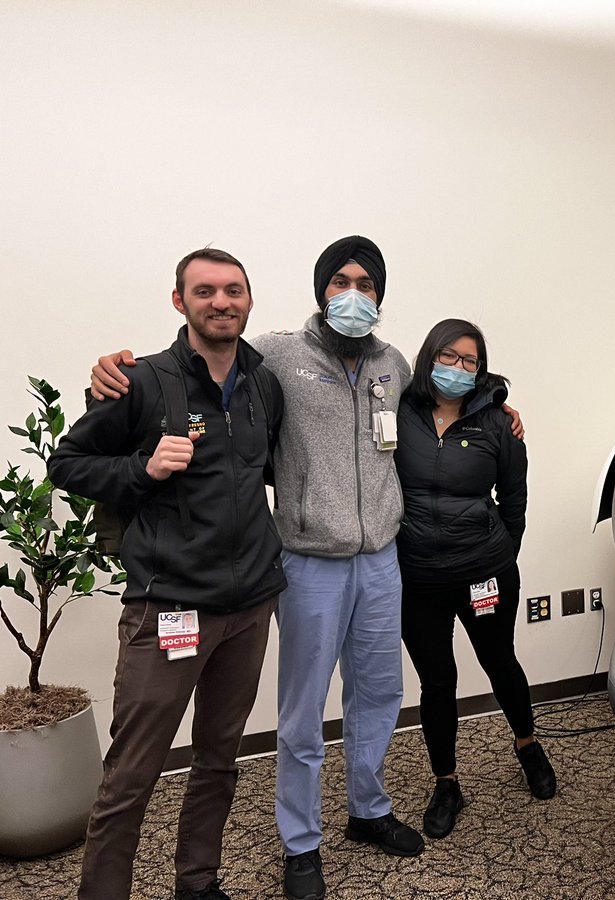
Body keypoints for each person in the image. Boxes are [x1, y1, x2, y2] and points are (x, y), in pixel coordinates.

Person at [90, 237, 523, 900]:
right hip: (308, 563)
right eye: (341, 281)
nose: (354, 294)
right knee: (301, 712)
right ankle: (300, 841)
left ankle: (368, 809)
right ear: (321, 289)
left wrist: (498, 404)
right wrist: (111, 372)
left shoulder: (393, 361)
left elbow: (442, 404)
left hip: (382, 561)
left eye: (367, 284)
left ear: (380, 293)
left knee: (379, 696)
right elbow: (212, 376)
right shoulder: (279, 358)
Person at [48, 248, 286, 900]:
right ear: (180, 302)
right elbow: (66, 463)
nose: (221, 301)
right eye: (205, 290)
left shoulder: (263, 385)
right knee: (132, 774)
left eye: (233, 290)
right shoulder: (143, 382)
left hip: (249, 607)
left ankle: (198, 883)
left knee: (217, 761)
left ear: (249, 300)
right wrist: (142, 471)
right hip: (170, 609)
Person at [395, 318, 554, 840]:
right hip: (417, 576)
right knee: (437, 682)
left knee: (499, 660)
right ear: (428, 358)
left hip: (483, 574)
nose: (458, 368)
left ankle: (527, 745)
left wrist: (500, 553)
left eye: (470, 361)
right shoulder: (400, 412)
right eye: (449, 356)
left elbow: (515, 500)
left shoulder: (498, 425)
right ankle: (447, 783)